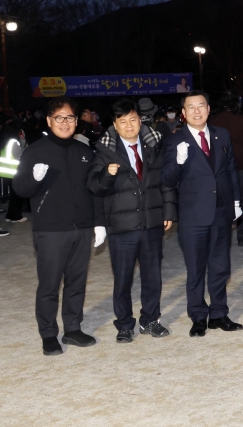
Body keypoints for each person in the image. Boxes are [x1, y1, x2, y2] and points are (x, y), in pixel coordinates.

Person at [13, 97, 101, 356]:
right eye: (59, 118)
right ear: (50, 121)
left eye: (70, 118)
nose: (65, 122)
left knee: (77, 282)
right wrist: (34, 178)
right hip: (50, 229)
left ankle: (73, 328)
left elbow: (93, 191)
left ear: (77, 121)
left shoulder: (84, 151)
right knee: (49, 285)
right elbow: (20, 189)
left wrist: (98, 224)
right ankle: (48, 333)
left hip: (82, 227)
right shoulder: (35, 151)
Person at [87, 98, 177, 343]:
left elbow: (164, 182)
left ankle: (150, 320)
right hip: (122, 227)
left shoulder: (153, 147)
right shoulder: (105, 152)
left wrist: (168, 211)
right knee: (123, 278)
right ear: (115, 126)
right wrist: (107, 175)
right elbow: (94, 186)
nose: (129, 126)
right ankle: (125, 324)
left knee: (152, 276)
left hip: (151, 223)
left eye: (133, 120)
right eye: (123, 121)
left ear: (141, 121)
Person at [162, 90, 243, 337]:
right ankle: (198, 316)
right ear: (184, 113)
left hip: (220, 211)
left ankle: (219, 313)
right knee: (196, 269)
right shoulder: (175, 140)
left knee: (221, 266)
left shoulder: (222, 135)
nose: (197, 111)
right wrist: (178, 160)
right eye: (191, 107)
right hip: (193, 215)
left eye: (201, 106)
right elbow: (166, 179)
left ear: (209, 109)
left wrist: (236, 201)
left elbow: (231, 170)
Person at [209, 92, 243, 246]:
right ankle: (242, 235)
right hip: (241, 164)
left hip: (219, 167)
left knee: (221, 200)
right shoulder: (242, 121)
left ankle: (222, 235)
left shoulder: (213, 121)